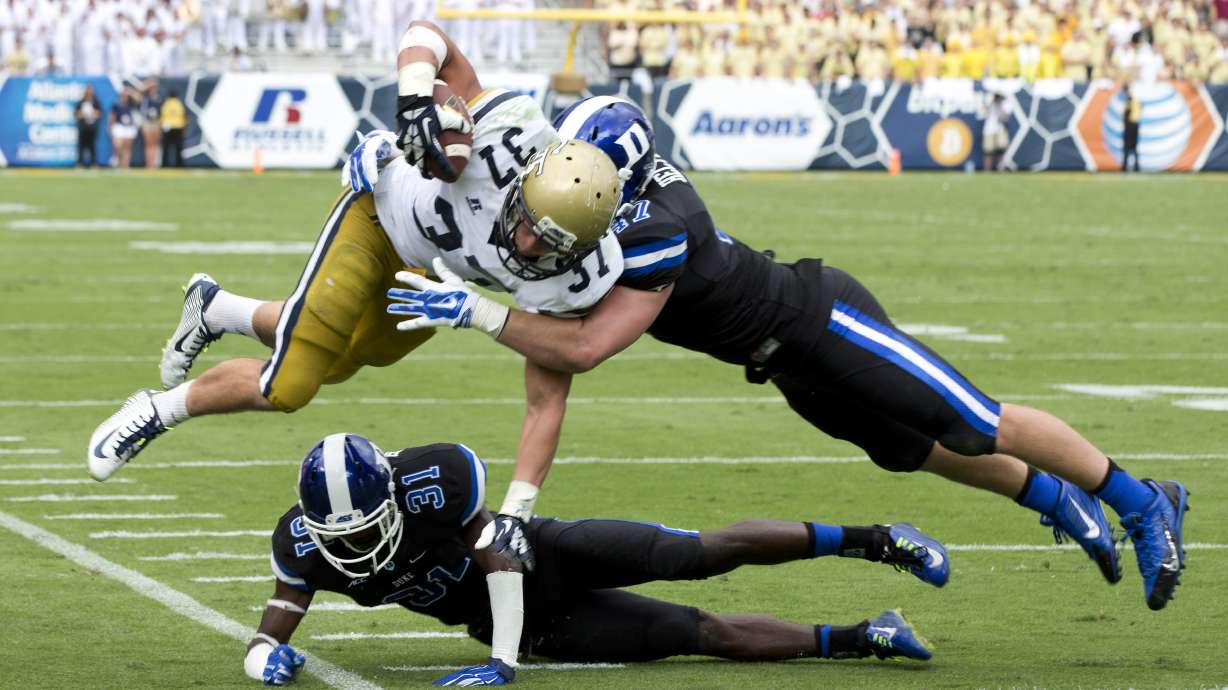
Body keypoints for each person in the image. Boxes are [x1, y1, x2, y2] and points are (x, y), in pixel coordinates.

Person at [386, 96, 1190, 612]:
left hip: (818, 319)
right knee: (909, 449)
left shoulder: (658, 229)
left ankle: (1143, 500)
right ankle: (1054, 498)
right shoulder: (582, 206)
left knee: (972, 421)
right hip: (780, 361)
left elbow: (585, 346)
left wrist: (480, 311)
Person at [86, 22, 617, 490]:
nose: (528, 244)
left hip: (428, 275)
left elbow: (554, 384)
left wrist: (518, 510)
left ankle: (215, 308)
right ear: (526, 180)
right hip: (377, 219)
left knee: (344, 360)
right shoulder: (509, 129)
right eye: (527, 222)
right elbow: (426, 36)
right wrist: (412, 109)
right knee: (292, 383)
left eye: (550, 243)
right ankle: (156, 409)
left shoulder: (576, 272)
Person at [245, 432, 940, 686]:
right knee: (696, 632)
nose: (357, 546)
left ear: (393, 496)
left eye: (367, 528)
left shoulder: (435, 480)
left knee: (696, 553)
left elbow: (501, 560)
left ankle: (878, 538)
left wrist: (501, 665)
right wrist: (263, 660)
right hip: (536, 626)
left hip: (545, 557)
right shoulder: (301, 544)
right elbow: (274, 621)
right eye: (340, 535)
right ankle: (865, 637)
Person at [75, 83, 103, 168]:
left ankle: (94, 163)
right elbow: (77, 113)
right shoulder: (81, 102)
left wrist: (91, 113)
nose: (89, 91)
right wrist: (84, 114)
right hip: (83, 127)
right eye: (88, 90)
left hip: (92, 127)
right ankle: (80, 163)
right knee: (81, 146)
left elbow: (99, 113)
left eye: (91, 90)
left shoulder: (96, 102)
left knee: (92, 145)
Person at [109, 90, 138, 168]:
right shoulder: (116, 104)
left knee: (127, 148)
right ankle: (118, 162)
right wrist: (110, 127)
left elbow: (138, 99)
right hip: (119, 126)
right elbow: (112, 116)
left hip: (129, 127)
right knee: (118, 146)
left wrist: (131, 92)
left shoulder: (131, 103)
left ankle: (125, 164)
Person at [982, 93, 1009, 171]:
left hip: (1000, 129)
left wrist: (999, 106)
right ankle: (987, 170)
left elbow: (1005, 118)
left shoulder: (1004, 104)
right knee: (988, 151)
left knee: (1001, 151)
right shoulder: (989, 102)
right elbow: (983, 113)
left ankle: (1002, 168)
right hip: (989, 130)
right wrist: (992, 102)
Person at [160, 88, 187, 168]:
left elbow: (161, 115)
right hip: (178, 127)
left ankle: (164, 164)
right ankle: (179, 165)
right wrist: (184, 128)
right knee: (179, 148)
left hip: (167, 128)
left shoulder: (166, 103)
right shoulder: (179, 103)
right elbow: (185, 116)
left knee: (166, 148)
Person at [139, 80, 163, 169]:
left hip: (156, 122)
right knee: (148, 144)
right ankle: (148, 163)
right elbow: (140, 91)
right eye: (152, 88)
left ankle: (154, 163)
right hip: (147, 122)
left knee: (155, 144)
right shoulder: (145, 97)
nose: (154, 89)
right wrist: (149, 84)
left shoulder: (159, 97)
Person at [1121, 83, 1141, 173]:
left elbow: (1126, 111)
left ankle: (1124, 167)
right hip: (1135, 124)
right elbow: (1140, 108)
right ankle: (1136, 167)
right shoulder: (1136, 99)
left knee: (1127, 147)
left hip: (1129, 124)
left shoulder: (1129, 99)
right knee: (1134, 147)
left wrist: (1124, 117)